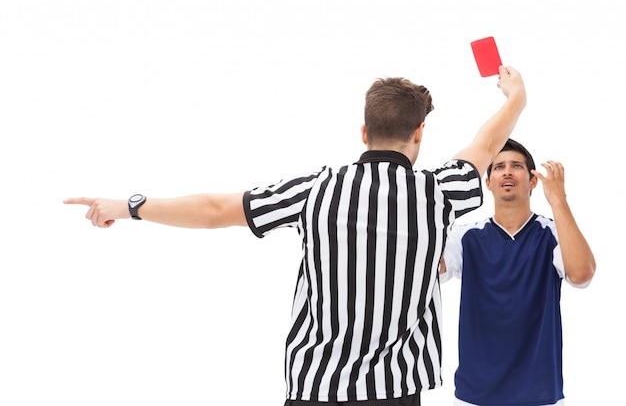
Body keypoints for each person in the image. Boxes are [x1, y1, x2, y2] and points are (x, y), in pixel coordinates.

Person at [64, 65, 526, 405]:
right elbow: (485, 146)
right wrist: (515, 99)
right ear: (420, 133)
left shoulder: (316, 189)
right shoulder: (439, 191)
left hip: (315, 390)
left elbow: (213, 210)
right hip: (395, 392)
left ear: (364, 131)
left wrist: (129, 207)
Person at [439, 139, 596, 406]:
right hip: (477, 390)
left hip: (537, 390)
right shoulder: (465, 236)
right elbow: (429, 270)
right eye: (498, 167)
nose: (508, 172)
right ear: (487, 183)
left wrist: (558, 199)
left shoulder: (552, 233)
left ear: (533, 181)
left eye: (517, 166)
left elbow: (582, 274)